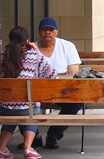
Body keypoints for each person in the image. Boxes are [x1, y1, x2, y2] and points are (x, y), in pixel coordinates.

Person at [0, 26, 56, 159]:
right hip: (27, 107)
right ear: (27, 41)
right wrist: (36, 51)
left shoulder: (0, 56)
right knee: (30, 108)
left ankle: (1, 148)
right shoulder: (33, 55)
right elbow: (52, 74)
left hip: (4, 107)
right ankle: (28, 148)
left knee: (13, 109)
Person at [35, 17, 81, 149]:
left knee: (75, 103)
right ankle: (34, 136)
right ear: (39, 32)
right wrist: (59, 74)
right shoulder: (32, 48)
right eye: (44, 30)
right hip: (37, 91)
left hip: (63, 91)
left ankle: (53, 135)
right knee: (20, 103)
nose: (47, 33)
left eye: (51, 30)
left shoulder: (67, 46)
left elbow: (73, 74)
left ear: (56, 31)